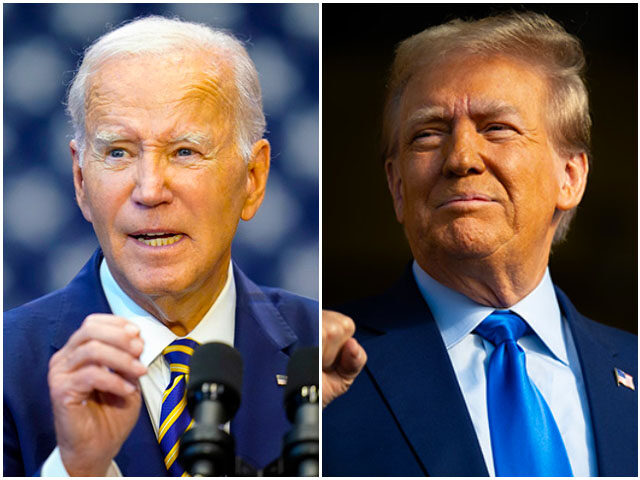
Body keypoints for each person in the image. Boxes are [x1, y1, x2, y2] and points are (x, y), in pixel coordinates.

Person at [322, 11, 637, 477]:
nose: (461, 158)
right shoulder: (320, 377)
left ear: (569, 177)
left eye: (497, 128)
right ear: (397, 187)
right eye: (428, 134)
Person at [3, 16, 317, 477]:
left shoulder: (324, 354)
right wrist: (77, 468)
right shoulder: (8, 365)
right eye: (118, 152)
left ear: (253, 179)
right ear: (80, 180)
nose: (149, 190)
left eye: (185, 151)